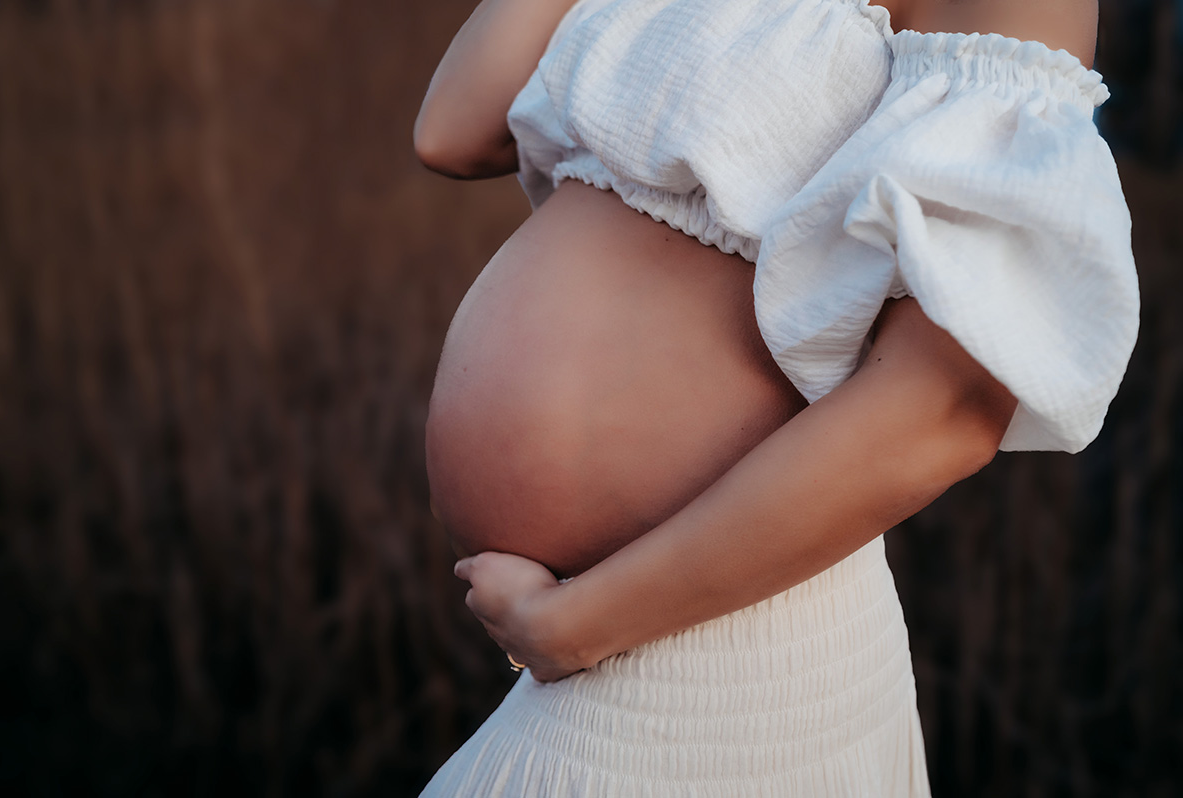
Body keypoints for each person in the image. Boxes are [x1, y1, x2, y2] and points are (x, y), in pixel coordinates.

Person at [414, 0, 1139, 794]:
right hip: (609, 635)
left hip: (722, 641)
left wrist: (578, 627)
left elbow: (948, 408)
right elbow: (453, 128)